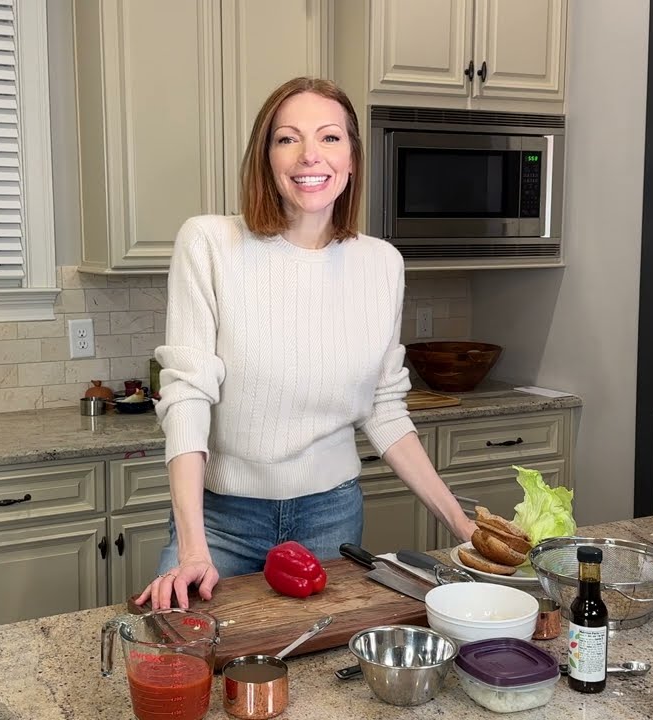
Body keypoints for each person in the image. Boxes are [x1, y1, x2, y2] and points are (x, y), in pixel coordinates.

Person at [137, 77, 477, 610]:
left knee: (323, 656)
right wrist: (192, 548)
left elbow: (384, 407)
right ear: (266, 157)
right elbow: (187, 398)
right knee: (182, 645)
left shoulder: (382, 264)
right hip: (220, 522)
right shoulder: (209, 243)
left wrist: (462, 525)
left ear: (352, 158)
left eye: (329, 137)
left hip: (330, 518)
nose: (309, 155)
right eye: (287, 138)